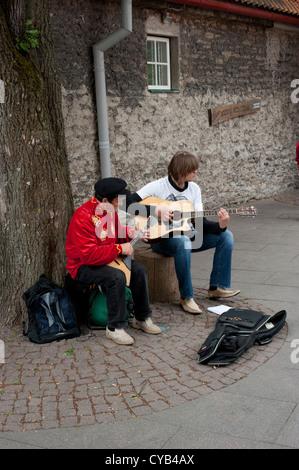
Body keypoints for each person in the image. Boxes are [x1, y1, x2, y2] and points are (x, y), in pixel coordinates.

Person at [123, 151, 240, 314]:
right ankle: (186, 297)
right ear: (180, 170)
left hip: (189, 236)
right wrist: (155, 210)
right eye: (192, 169)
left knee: (226, 236)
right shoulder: (158, 186)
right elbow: (127, 204)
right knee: (183, 241)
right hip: (161, 240)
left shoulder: (194, 189)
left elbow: (200, 221)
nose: (196, 172)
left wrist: (220, 225)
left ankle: (216, 288)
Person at [65, 177, 162, 345]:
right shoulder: (82, 217)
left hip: (105, 259)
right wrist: (119, 249)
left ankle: (142, 317)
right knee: (115, 277)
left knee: (138, 270)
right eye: (119, 199)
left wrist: (131, 232)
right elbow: (89, 255)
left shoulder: (108, 210)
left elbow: (116, 231)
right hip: (82, 266)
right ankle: (114, 328)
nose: (121, 203)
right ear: (105, 200)